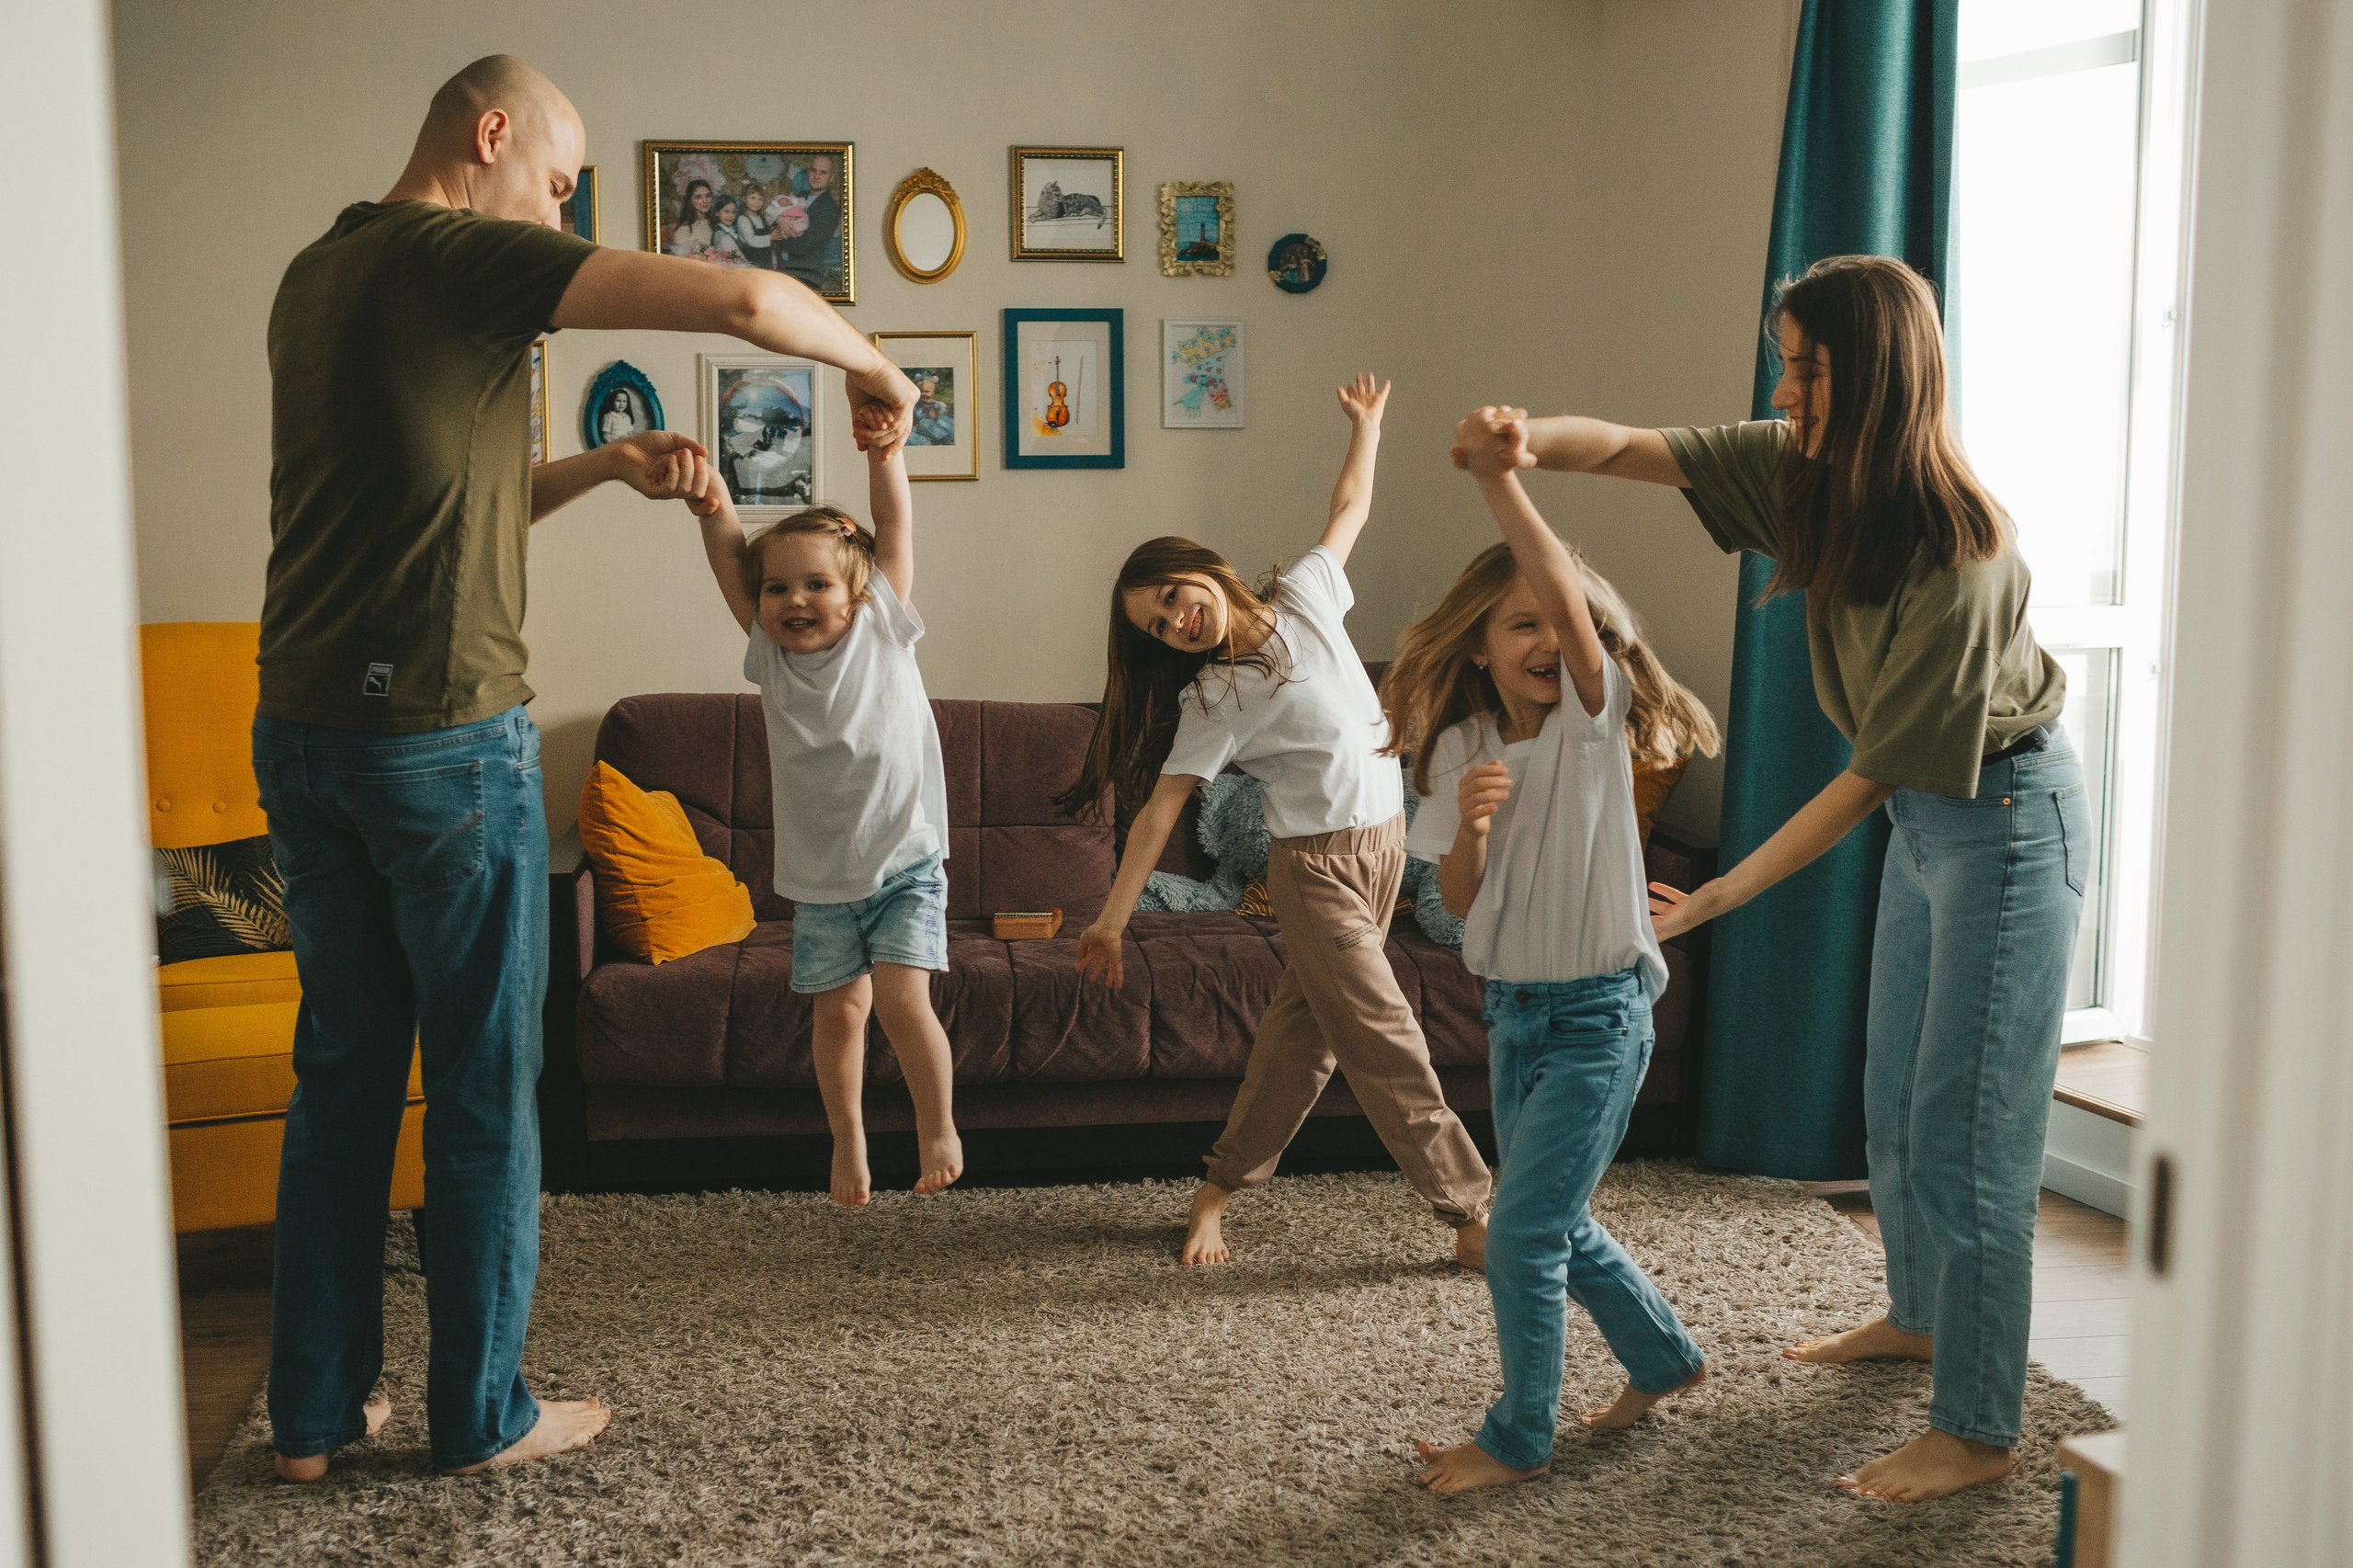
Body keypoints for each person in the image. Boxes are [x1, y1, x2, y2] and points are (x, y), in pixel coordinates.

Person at [256, 51, 917, 1483]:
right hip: (438, 737)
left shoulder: (322, 272)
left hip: (305, 729)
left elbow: (445, 504)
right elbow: (748, 296)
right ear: (489, 136)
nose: (560, 220)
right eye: (558, 185)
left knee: (347, 1073)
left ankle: (312, 1416)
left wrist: (602, 469)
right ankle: (481, 1414)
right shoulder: (461, 248)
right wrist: (873, 364)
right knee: (487, 1080)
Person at [1457, 254, 2081, 1504]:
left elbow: (1859, 781)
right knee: (1893, 1093)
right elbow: (1634, 446)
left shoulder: (1962, 559)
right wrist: (1524, 441)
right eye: (1785, 361)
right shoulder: (1805, 472)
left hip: (2007, 815)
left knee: (1970, 1134)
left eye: (1809, 367)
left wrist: (1723, 896)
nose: (1786, 387)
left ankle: (1979, 1424)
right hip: (1929, 808)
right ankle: (1915, 1314)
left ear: (1882, 374)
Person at [1058, 375, 1494, 1269]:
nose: (1176, 622)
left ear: (1205, 568)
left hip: (1383, 849)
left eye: (1174, 597)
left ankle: (1214, 1192)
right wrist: (1110, 916)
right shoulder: (1216, 694)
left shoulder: (1304, 593)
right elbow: (1161, 809)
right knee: (1383, 1033)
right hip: (1318, 870)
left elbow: (1349, 508)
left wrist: (1367, 425)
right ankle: (1474, 1212)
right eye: (1158, 627)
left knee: (1302, 1044)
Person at [1397, 510, 1719, 1494]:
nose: (1543, 640)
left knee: (1523, 1231)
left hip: (1599, 1014)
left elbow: (1578, 636)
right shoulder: (1459, 743)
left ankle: (1518, 1435)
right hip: (1514, 1015)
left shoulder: (1594, 722)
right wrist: (1476, 833)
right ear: (1481, 647)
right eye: (1517, 625)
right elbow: (1455, 898)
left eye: (1559, 621)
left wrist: (1499, 486)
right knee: (1557, 1216)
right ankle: (1665, 1358)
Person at [672, 429, 963, 1207]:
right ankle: (849, 1142)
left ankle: (938, 1126)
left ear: (858, 594)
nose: (794, 601)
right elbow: (728, 554)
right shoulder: (768, 655)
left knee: (903, 1002)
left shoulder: (884, 628)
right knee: (839, 1014)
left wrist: (884, 456)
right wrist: (712, 503)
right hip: (820, 879)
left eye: (817, 586)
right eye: (777, 590)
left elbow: (893, 528)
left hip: (904, 861)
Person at [773, 154, 841, 288]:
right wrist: (779, 219)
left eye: (823, 173)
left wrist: (776, 234)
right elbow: (768, 223)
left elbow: (802, 247)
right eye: (813, 170)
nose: (816, 176)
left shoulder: (830, 209)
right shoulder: (798, 196)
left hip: (806, 277)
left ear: (831, 178)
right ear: (808, 172)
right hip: (782, 271)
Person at [667, 177, 714, 258]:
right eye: (699, 197)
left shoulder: (715, 224)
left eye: (708, 196)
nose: (705, 200)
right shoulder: (684, 230)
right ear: (690, 200)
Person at [735, 182, 778, 270]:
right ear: (744, 199)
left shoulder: (763, 218)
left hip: (767, 262)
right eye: (753, 198)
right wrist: (770, 237)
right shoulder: (743, 219)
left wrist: (774, 261)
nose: (756, 202)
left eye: (760, 199)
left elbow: (771, 246)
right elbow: (752, 241)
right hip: (752, 262)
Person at [706, 194, 750, 267]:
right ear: (717, 212)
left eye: (733, 212)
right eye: (726, 211)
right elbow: (730, 256)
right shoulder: (720, 233)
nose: (730, 216)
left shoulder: (732, 230)